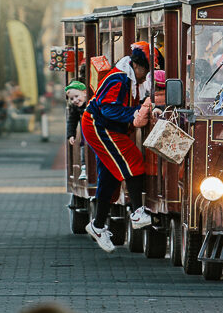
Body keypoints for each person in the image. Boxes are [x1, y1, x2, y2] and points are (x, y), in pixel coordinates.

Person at [80, 46, 158, 253]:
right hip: (99, 125)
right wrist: (137, 112)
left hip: (107, 126)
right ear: (139, 67)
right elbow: (108, 108)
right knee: (132, 160)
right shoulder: (119, 79)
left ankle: (97, 225)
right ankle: (137, 212)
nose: (147, 77)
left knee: (110, 175)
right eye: (147, 71)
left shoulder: (128, 79)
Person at [65, 79, 88, 181]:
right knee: (83, 146)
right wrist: (71, 135)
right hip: (85, 134)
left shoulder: (91, 103)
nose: (75, 100)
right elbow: (72, 122)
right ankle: (84, 167)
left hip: (94, 132)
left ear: (84, 93)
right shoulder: (75, 108)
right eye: (72, 98)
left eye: (77, 96)